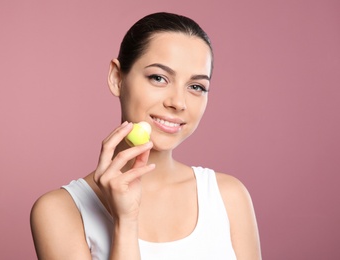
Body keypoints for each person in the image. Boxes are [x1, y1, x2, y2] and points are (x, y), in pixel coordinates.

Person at [30, 12, 261, 260]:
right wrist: (126, 222)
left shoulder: (228, 197)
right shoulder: (60, 211)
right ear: (117, 78)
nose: (178, 102)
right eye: (159, 78)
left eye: (196, 86)